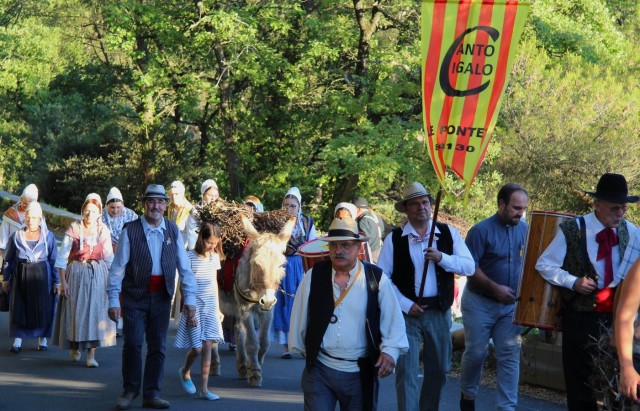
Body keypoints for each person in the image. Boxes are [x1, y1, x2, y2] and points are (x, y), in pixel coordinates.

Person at [536, 173, 638, 411]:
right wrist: (572, 282)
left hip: (617, 319)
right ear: (597, 205)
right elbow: (544, 264)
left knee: (617, 387)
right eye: (615, 209)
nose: (620, 214)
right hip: (581, 318)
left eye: (624, 208)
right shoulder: (572, 229)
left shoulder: (632, 232)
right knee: (580, 388)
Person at [289, 217, 408, 410]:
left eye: (346, 245)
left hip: (360, 374)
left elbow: (393, 319)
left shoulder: (376, 278)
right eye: (334, 245)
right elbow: (300, 314)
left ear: (358, 248)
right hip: (320, 370)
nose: (339, 251)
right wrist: (304, 349)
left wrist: (390, 351)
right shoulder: (314, 275)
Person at [377, 182, 475, 411]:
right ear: (406, 209)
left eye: (424, 202)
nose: (421, 207)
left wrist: (443, 258)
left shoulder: (448, 233)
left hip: (439, 312)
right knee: (406, 371)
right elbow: (382, 278)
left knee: (439, 370)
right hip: (407, 315)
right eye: (415, 203)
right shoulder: (395, 239)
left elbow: (469, 267)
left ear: (430, 205)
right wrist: (405, 304)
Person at [107, 184, 198, 410]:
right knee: (133, 344)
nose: (155, 206)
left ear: (165, 205)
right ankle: (130, 390)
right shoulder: (131, 230)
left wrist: (191, 300)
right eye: (151, 201)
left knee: (158, 346)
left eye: (159, 202)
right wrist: (112, 301)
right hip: (135, 296)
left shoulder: (172, 230)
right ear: (144, 204)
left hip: (161, 297)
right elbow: (117, 269)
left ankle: (152, 394)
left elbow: (185, 268)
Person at [459, 183, 529, 411]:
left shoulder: (525, 230)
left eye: (524, 209)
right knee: (476, 353)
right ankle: (467, 396)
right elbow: (471, 268)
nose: (520, 213)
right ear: (501, 204)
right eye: (516, 208)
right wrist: (495, 288)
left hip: (510, 305)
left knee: (509, 354)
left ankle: (506, 408)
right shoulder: (480, 231)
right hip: (479, 302)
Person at [53, 193, 116, 368]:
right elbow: (62, 257)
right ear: (83, 211)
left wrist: (114, 284)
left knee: (96, 314)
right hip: (77, 273)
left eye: (94, 212)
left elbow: (109, 259)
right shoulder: (74, 228)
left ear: (99, 213)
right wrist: (63, 282)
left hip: (98, 274)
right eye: (87, 211)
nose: (90, 215)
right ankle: (75, 347)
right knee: (77, 312)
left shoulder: (103, 231)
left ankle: (91, 355)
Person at [175, 223, 225, 401]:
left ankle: (204, 389)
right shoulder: (189, 256)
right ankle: (185, 371)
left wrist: (218, 308)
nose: (211, 246)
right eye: (209, 242)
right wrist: (190, 311)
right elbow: (183, 285)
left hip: (210, 306)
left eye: (215, 243)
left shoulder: (214, 257)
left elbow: (214, 283)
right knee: (196, 348)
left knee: (207, 347)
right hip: (194, 306)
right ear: (201, 239)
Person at [2, 202, 59, 353]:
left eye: (34, 217)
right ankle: (17, 341)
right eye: (28, 217)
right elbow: (8, 259)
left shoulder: (48, 236)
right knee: (20, 307)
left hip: (43, 275)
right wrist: (6, 279)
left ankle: (43, 340)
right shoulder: (17, 236)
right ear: (24, 218)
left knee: (43, 308)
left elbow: (54, 261)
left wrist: (57, 281)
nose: (30, 220)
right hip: (21, 274)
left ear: (40, 219)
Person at [277, 186, 317, 359]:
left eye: (292, 205)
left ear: (299, 206)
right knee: (284, 304)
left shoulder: (307, 221)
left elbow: (313, 244)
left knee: (302, 304)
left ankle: (302, 344)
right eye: (286, 205)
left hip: (301, 265)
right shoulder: (277, 221)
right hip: (283, 264)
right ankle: (286, 345)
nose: (289, 209)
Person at [0, 184, 42, 264]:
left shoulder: (39, 217)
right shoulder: (10, 214)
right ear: (21, 199)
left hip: (30, 259)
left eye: (29, 204)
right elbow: (3, 235)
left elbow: (42, 237)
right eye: (24, 202)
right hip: (10, 256)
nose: (25, 206)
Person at [102, 187, 139, 251]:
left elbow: (136, 234)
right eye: (112, 207)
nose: (115, 211)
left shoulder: (131, 215)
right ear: (106, 205)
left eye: (118, 207)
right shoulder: (100, 215)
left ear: (122, 205)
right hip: (106, 250)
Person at [187, 179, 219, 250]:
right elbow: (192, 239)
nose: (213, 198)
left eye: (216, 195)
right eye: (210, 195)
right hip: (201, 251)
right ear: (203, 195)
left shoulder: (221, 211)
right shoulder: (195, 212)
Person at [354, 197, 384, 263]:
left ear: (358, 209)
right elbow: (382, 234)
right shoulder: (377, 216)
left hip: (371, 255)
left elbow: (363, 242)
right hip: (381, 252)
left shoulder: (363, 221)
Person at [168, 181, 193, 246]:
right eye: (171, 194)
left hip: (185, 250)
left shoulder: (189, 210)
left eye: (176, 194)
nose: (173, 197)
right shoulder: (170, 208)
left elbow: (192, 236)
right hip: (172, 247)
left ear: (182, 194)